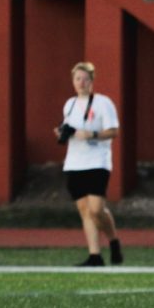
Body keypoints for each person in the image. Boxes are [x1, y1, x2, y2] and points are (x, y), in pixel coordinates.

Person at [58, 62, 123, 267]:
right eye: (78, 79)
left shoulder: (103, 103)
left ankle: (113, 240)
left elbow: (113, 131)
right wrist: (61, 133)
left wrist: (92, 134)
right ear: (73, 81)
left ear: (92, 81)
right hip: (74, 162)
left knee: (96, 209)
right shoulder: (69, 104)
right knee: (84, 210)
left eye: (85, 79)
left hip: (97, 161)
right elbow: (67, 128)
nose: (81, 83)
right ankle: (95, 255)